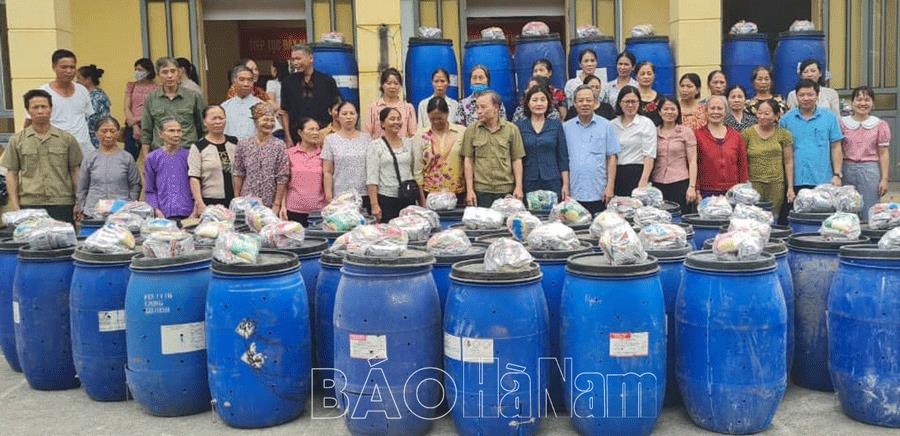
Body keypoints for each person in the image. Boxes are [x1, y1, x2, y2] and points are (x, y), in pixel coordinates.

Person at [1, 90, 83, 224]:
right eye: (35, 107)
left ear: (51, 109)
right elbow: (12, 174)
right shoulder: (17, 140)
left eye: (44, 106)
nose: (40, 111)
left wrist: (79, 201)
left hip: (62, 203)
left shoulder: (67, 139)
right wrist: (16, 206)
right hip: (30, 204)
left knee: (64, 243)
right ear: (28, 110)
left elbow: (75, 171)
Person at [461, 90, 525, 207]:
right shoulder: (471, 130)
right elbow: (468, 160)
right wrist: (469, 190)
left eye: (483, 107)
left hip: (506, 190)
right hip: (481, 190)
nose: (479, 111)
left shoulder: (512, 130)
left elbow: (517, 160)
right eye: (477, 107)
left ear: (496, 108)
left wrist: (519, 187)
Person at [563, 85, 620, 215]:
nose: (585, 104)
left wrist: (610, 186)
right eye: (580, 100)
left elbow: (612, 157)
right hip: (574, 191)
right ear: (575, 104)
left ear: (594, 103)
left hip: (599, 191)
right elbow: (563, 159)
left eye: (588, 100)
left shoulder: (607, 126)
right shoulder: (566, 128)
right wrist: (565, 185)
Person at [26, 49, 94, 157]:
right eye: (64, 67)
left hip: (83, 150)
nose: (69, 71)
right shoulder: (42, 93)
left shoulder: (82, 90)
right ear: (54, 67)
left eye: (72, 67)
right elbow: (29, 123)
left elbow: (89, 118)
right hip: (55, 151)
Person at [779, 79, 843, 193]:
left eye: (810, 94)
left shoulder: (829, 117)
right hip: (795, 180)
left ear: (817, 96)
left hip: (823, 179)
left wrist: (837, 174)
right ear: (796, 97)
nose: (806, 98)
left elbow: (836, 147)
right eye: (801, 95)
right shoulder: (786, 120)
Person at [840, 86, 891, 220]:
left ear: (872, 103)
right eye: (859, 99)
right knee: (846, 209)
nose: (863, 103)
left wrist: (884, 179)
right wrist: (837, 174)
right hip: (846, 168)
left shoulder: (880, 125)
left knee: (870, 209)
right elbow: (837, 149)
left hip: (870, 170)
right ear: (852, 102)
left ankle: (868, 239)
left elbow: (884, 153)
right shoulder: (842, 123)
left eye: (867, 100)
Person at [76, 117, 141, 218]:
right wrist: (82, 207)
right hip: (92, 212)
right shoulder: (90, 158)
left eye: (112, 131)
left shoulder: (127, 158)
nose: (108, 135)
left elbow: (135, 185)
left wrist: (129, 205)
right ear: (96, 134)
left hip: (121, 213)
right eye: (104, 131)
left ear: (118, 133)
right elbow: (82, 187)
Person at [366, 107, 424, 222]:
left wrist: (421, 200)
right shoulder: (376, 146)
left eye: (398, 118)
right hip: (387, 199)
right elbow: (372, 178)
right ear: (382, 123)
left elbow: (415, 172)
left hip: (408, 196)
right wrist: (374, 205)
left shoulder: (408, 143)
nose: (396, 122)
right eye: (392, 119)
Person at [140, 57, 205, 157]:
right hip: (161, 153)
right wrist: (146, 158)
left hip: (189, 152)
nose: (169, 76)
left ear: (179, 73)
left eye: (173, 71)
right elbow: (146, 131)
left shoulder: (193, 97)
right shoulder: (151, 98)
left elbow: (203, 127)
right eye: (165, 72)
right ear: (158, 75)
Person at [232, 103, 290, 209]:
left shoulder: (279, 145)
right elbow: (238, 173)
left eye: (272, 120)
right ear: (255, 121)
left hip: (270, 201)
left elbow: (282, 176)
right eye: (265, 120)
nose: (269, 123)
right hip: (247, 201)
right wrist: (237, 199)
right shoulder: (243, 144)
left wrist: (277, 204)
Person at [742, 100, 794, 217]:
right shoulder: (747, 133)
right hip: (753, 184)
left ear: (776, 116)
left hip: (776, 184)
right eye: (759, 113)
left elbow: (788, 162)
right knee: (753, 218)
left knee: (772, 217)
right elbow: (741, 161)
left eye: (766, 113)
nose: (762, 116)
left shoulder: (784, 134)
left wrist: (790, 187)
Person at [515, 86, 569, 198]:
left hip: (552, 180)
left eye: (543, 100)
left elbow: (562, 157)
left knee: (554, 215)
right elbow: (516, 158)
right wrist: (518, 186)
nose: (539, 103)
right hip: (528, 180)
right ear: (528, 103)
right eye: (534, 100)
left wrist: (565, 184)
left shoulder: (556, 124)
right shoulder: (519, 126)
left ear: (548, 103)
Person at [281, 43, 340, 145]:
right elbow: (284, 112)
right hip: (297, 137)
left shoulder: (327, 81)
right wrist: (288, 137)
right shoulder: (287, 82)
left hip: (323, 136)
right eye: (293, 59)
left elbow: (336, 109)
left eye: (298, 59)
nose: (295, 62)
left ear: (311, 58)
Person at [414, 97, 466, 202]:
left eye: (440, 118)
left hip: (458, 193)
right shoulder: (420, 135)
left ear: (447, 114)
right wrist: (422, 200)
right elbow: (418, 169)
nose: (436, 122)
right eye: (432, 119)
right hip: (430, 193)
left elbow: (468, 163)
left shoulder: (461, 132)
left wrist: (469, 192)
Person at [695, 95, 748, 197]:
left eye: (719, 108)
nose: (716, 112)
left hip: (733, 192)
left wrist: (743, 190)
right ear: (706, 111)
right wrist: (697, 190)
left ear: (725, 112)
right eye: (712, 108)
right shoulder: (697, 135)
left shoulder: (736, 136)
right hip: (706, 191)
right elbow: (694, 165)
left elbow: (742, 166)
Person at [188, 105, 237, 214]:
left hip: (235, 201)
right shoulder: (198, 147)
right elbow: (194, 177)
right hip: (210, 202)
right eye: (213, 118)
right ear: (205, 122)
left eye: (221, 118)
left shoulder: (235, 143)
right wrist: (200, 203)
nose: (218, 121)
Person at [653, 97, 698, 214]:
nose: (669, 112)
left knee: (681, 220)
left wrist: (692, 187)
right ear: (659, 112)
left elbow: (693, 161)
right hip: (657, 183)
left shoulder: (686, 132)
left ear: (678, 112)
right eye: (665, 109)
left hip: (680, 183)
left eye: (673, 109)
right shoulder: (653, 132)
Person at [322, 101, 371, 209]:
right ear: (338, 117)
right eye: (344, 114)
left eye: (352, 113)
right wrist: (329, 196)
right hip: (340, 195)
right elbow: (327, 171)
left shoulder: (367, 139)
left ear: (357, 116)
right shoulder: (330, 140)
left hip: (364, 194)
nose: (348, 117)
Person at [143, 118, 194, 220]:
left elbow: (196, 185)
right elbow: (149, 190)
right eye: (171, 131)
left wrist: (195, 211)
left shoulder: (189, 156)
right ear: (161, 134)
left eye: (179, 131)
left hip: (188, 213)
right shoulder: (152, 158)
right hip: (162, 214)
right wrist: (156, 210)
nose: (176, 134)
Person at [611, 86, 657, 197]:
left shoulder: (646, 123)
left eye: (634, 101)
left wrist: (643, 181)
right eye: (626, 101)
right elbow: (611, 155)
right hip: (617, 173)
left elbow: (649, 155)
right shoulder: (612, 125)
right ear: (620, 103)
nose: (630, 105)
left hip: (638, 173)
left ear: (639, 103)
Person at [282, 117, 326, 225]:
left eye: (317, 129)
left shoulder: (324, 154)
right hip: (293, 210)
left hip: (319, 212)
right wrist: (282, 206)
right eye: (311, 129)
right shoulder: (289, 154)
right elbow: (283, 183)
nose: (315, 133)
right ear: (300, 132)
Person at [364, 67, 416, 138]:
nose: (392, 86)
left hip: (401, 147)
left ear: (400, 86)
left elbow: (413, 135)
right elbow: (367, 134)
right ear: (382, 85)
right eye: (389, 83)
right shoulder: (373, 107)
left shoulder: (408, 108)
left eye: (396, 83)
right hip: (379, 148)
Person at [123, 58, 158, 160]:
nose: (137, 72)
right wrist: (134, 125)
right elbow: (126, 107)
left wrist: (137, 119)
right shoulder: (131, 86)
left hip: (149, 125)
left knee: (151, 157)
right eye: (136, 69)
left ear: (148, 71)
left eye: (140, 70)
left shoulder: (156, 88)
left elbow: (155, 110)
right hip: (131, 126)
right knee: (129, 158)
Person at [220, 65, 261, 140]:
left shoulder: (262, 106)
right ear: (233, 81)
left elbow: (273, 132)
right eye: (242, 80)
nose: (246, 84)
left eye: (250, 80)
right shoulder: (224, 107)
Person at [76, 64, 110, 148]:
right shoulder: (85, 94)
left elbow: (92, 119)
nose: (77, 81)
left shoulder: (97, 97)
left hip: (95, 139)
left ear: (88, 79)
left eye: (79, 78)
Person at [266, 59, 291, 139]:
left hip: (279, 119)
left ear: (274, 69)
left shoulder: (272, 83)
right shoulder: (291, 83)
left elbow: (271, 102)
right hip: (291, 119)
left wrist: (280, 109)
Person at [636, 62, 664, 126]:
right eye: (642, 74)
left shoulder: (661, 99)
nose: (646, 77)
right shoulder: (632, 98)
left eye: (649, 74)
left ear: (654, 76)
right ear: (636, 77)